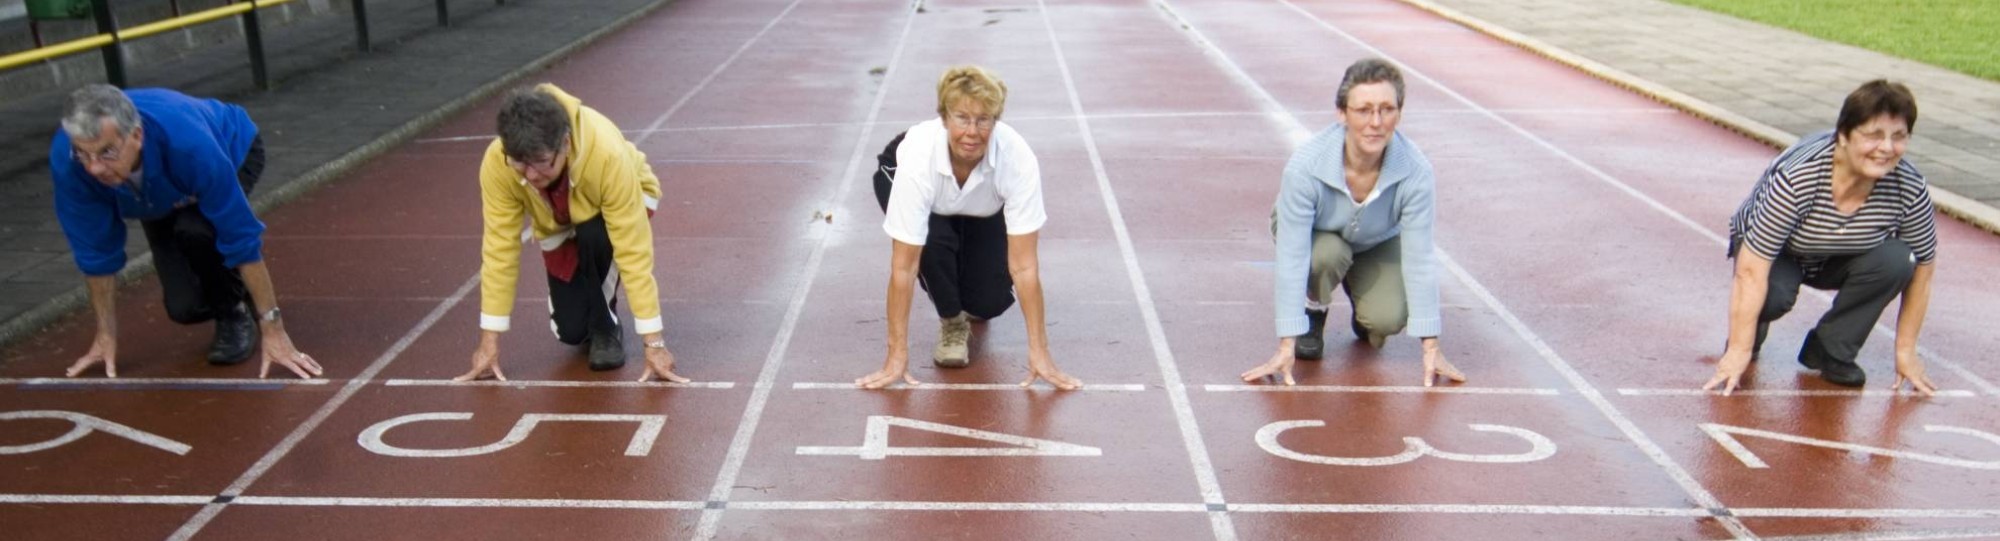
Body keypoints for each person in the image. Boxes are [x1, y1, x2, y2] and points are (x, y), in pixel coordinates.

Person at [50, 84, 322, 379]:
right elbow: (96, 251)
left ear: (137, 136)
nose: (94, 169)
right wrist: (106, 334)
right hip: (158, 192)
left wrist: (273, 327)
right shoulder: (70, 165)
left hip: (232, 147)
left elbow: (240, 236)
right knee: (184, 308)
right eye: (84, 154)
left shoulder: (190, 146)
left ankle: (233, 313)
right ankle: (232, 293)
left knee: (196, 228)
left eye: (107, 152)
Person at [1704, 79, 1940, 396]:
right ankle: (1751, 331)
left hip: (1845, 254)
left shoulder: (1909, 187)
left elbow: (1923, 271)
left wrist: (1906, 351)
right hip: (1780, 253)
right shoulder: (1798, 176)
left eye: (1898, 137)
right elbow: (1751, 270)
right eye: (1873, 135)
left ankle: (1831, 347)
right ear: (1843, 135)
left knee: (1901, 260)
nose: (1886, 148)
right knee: (1774, 295)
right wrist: (1738, 350)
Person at [1240, 58, 1465, 387]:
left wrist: (1431, 346)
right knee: (1326, 255)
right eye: (1363, 110)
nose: (1375, 122)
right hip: (1320, 236)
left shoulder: (1416, 171)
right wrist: (1286, 342)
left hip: (1375, 239)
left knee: (1386, 319)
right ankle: (1313, 310)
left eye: (1386, 109)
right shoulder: (1305, 167)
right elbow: (1293, 257)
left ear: (1399, 114)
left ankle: (1366, 310)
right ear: (1342, 114)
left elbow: (1419, 257)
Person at [856, 65, 1081, 390]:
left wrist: (1040, 351)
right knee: (932, 242)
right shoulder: (918, 160)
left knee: (987, 302)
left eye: (983, 120)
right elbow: (904, 268)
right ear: (945, 118)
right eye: (962, 118)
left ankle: (968, 297)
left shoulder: (1016, 159)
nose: (972, 132)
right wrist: (896, 355)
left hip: (979, 202)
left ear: (996, 120)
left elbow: (1025, 266)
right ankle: (951, 320)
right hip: (918, 185)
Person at [456, 84, 689, 383]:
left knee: (594, 232)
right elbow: (499, 248)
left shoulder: (606, 154)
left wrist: (654, 343)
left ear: (565, 143)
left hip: (621, 203)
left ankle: (606, 329)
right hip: (558, 221)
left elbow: (633, 250)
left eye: (541, 163)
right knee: (572, 332)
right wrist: (489, 341)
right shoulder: (498, 162)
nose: (531, 176)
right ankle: (594, 314)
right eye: (519, 164)